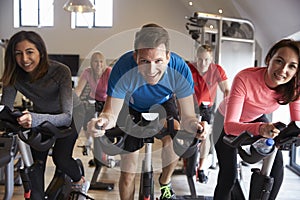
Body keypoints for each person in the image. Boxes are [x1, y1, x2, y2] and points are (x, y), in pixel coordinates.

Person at [87, 23, 207, 200]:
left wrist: (197, 126)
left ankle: (165, 182)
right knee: (128, 170)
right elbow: (110, 114)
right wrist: (101, 123)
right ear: (136, 57)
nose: (151, 70)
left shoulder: (180, 69)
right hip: (132, 106)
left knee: (174, 135)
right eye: (144, 61)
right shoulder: (122, 68)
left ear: (167, 57)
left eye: (158, 61)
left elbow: (188, 117)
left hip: (164, 103)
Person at [0, 30, 89, 199]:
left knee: (61, 158)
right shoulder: (14, 75)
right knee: (36, 163)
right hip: (42, 114)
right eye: (18, 54)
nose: (24, 59)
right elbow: (6, 109)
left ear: (40, 51)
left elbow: (66, 116)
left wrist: (33, 119)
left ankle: (80, 181)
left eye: (29, 52)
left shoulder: (60, 71)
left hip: (72, 114)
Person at [213, 39, 300, 200]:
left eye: (292, 66)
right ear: (269, 59)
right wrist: (260, 129)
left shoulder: (294, 85)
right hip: (225, 120)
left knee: (276, 166)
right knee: (228, 176)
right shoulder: (245, 78)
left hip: (257, 118)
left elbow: (297, 121)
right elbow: (231, 126)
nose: (283, 70)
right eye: (279, 61)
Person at [187, 44, 230, 183]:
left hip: (206, 108)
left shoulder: (217, 70)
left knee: (205, 134)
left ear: (211, 60)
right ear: (196, 58)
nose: (202, 63)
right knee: (189, 133)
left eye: (206, 60)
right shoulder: (188, 68)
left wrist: (227, 110)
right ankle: (187, 160)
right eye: (199, 59)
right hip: (189, 106)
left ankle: (201, 167)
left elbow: (227, 91)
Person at [74, 51, 112, 158]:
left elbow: (114, 90)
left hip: (107, 99)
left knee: (106, 123)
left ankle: (108, 153)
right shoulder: (87, 72)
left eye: (101, 62)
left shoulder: (108, 72)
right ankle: (89, 141)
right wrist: (71, 103)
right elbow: (78, 90)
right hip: (93, 99)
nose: (99, 64)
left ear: (104, 63)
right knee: (86, 118)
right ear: (91, 63)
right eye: (96, 62)